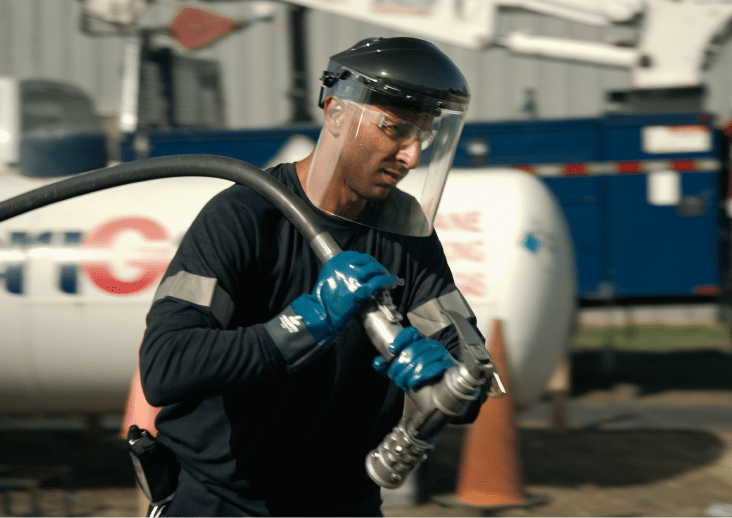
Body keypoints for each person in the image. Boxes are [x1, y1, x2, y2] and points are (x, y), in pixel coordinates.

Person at [140, 37, 487, 517]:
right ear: (337, 112)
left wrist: (447, 381)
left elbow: (469, 365)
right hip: (224, 500)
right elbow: (166, 366)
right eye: (394, 129)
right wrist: (308, 321)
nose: (409, 156)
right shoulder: (244, 217)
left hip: (342, 502)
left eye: (422, 138)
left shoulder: (407, 234)